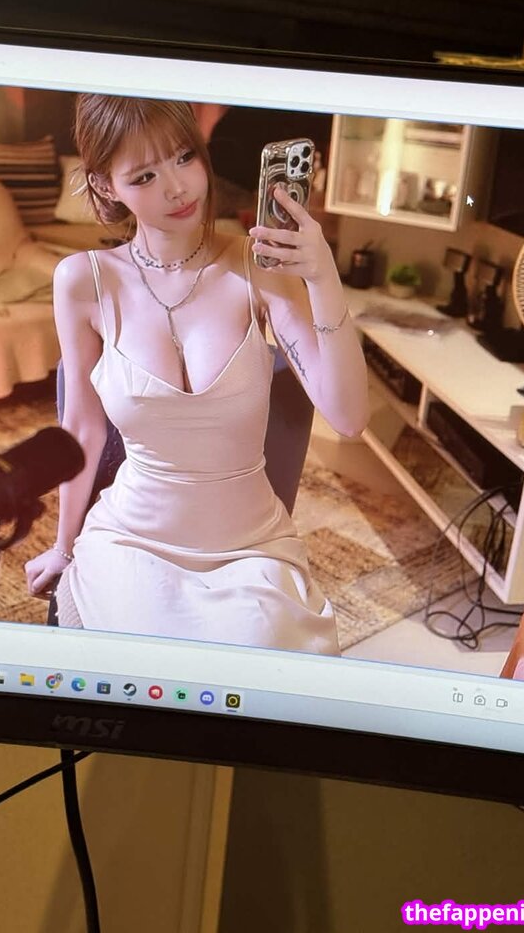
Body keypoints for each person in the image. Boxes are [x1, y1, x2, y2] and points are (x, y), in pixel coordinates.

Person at [24, 95, 369, 655]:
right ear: (106, 186)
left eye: (185, 157)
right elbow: (82, 429)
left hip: (250, 547)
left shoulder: (257, 268)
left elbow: (349, 418)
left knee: (257, 653)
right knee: (138, 664)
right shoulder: (83, 280)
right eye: (144, 176)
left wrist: (323, 278)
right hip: (131, 539)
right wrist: (64, 547)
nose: (178, 188)